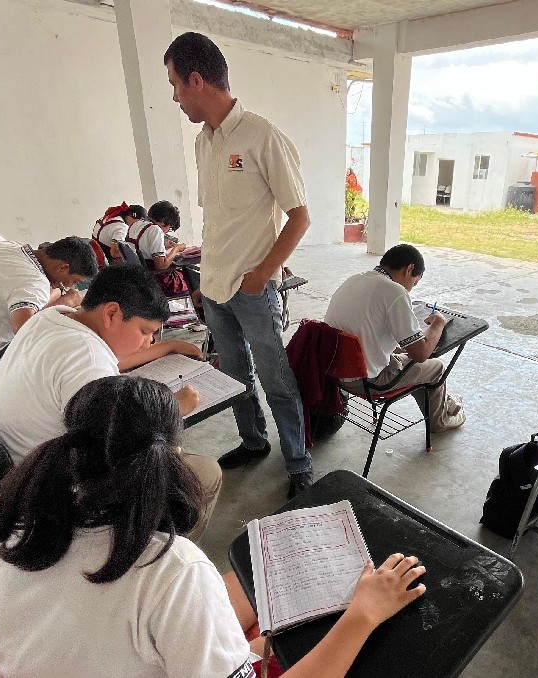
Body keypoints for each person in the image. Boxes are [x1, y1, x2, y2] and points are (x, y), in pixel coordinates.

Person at [0, 375, 427, 678]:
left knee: (246, 594)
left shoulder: (12, 549)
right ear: (173, 455)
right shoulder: (169, 570)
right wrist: (363, 614)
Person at [164, 32, 312, 497]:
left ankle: (299, 461)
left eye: (175, 85)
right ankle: (254, 441)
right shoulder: (203, 144)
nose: (174, 97)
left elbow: (300, 217)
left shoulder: (262, 137)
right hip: (215, 286)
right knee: (232, 376)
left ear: (197, 79)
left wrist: (263, 275)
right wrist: (201, 280)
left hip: (252, 288)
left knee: (276, 380)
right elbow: (217, 221)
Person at [0, 263, 221, 534]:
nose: (149, 342)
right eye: (144, 331)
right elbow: (121, 446)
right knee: (203, 474)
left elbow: (111, 362)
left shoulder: (54, 318)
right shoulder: (87, 359)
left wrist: (169, 347)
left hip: (18, 468)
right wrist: (173, 409)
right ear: (112, 312)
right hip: (55, 493)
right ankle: (152, 562)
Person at [324, 244, 465, 433]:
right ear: (409, 269)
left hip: (335, 372)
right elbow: (421, 353)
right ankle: (440, 421)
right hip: (367, 381)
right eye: (414, 283)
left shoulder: (354, 279)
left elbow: (370, 335)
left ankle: (445, 402)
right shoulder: (394, 292)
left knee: (409, 359)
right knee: (436, 367)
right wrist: (438, 323)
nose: (411, 289)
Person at [0, 237, 97, 364]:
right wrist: (67, 302)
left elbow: (25, 293)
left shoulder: (9, 247)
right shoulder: (34, 282)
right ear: (63, 267)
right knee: (77, 351)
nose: (71, 285)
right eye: (74, 280)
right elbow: (25, 331)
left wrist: (57, 292)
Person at [128, 200, 191, 298]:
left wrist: (163, 244)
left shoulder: (136, 224)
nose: (166, 232)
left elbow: (143, 245)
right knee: (192, 279)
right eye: (169, 228)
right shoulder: (155, 230)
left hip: (140, 278)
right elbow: (161, 266)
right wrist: (176, 249)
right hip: (157, 281)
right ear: (163, 222)